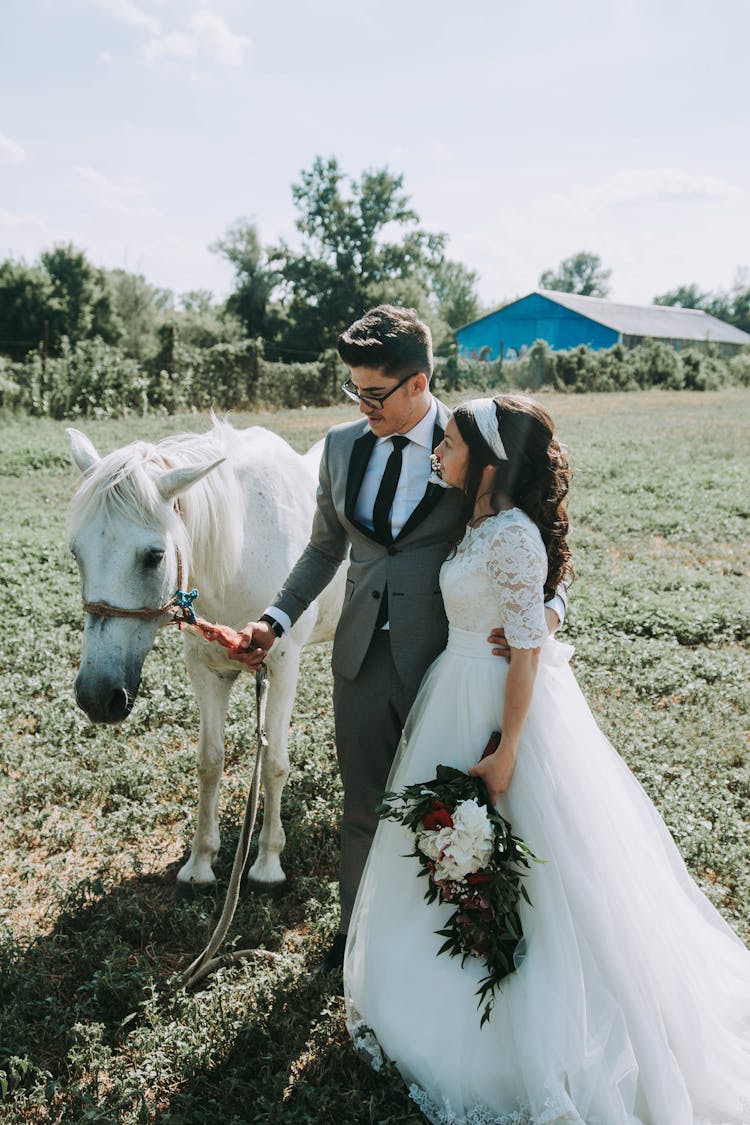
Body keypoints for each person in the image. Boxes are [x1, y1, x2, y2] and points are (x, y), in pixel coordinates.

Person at [343, 395, 750, 1124]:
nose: (440, 449)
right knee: (457, 860)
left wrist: (507, 750)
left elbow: (529, 650)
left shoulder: (509, 537)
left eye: (453, 442)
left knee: (534, 867)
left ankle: (528, 1022)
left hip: (503, 709)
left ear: (491, 461)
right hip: (457, 688)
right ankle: (443, 980)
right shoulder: (478, 522)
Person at [230, 306, 566, 972]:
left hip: (447, 663)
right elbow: (324, 550)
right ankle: (355, 933)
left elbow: (539, 536)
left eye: (375, 393)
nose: (362, 405)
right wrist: (275, 619)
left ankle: (449, 946)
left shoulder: (471, 438)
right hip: (359, 656)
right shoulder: (341, 446)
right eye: (353, 389)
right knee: (362, 805)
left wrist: (548, 612)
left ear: (418, 383)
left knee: (450, 806)